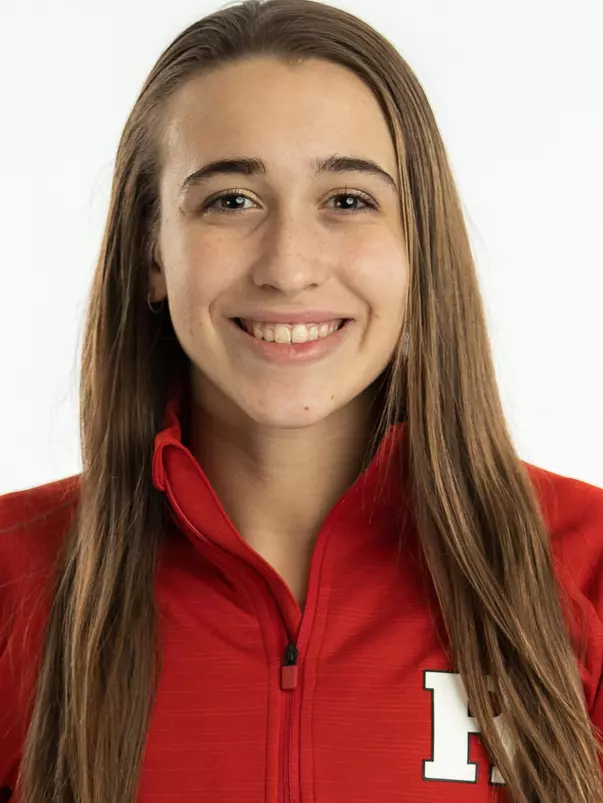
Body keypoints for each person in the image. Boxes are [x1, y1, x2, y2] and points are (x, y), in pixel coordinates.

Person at [1, 0, 602, 800]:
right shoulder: (13, 571)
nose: (288, 267)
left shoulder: (586, 563)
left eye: (347, 200)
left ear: (419, 245)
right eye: (231, 200)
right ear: (152, 253)